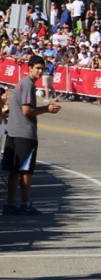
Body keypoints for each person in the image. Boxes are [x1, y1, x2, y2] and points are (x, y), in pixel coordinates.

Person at [2, 55, 61, 216]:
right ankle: (26, 203)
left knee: (14, 170)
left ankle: (10, 203)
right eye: (38, 68)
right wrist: (47, 109)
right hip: (24, 133)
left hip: (13, 132)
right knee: (25, 170)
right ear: (30, 68)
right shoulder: (28, 84)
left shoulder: (22, 83)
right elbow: (26, 111)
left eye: (43, 69)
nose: (41, 72)